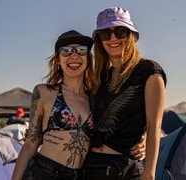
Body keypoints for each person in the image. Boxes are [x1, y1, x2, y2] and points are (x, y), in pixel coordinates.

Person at [83, 7, 167, 180]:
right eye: (106, 33)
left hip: (123, 169)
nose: (113, 38)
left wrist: (149, 174)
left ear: (130, 35)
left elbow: (154, 127)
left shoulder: (149, 71)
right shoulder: (99, 78)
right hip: (89, 167)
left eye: (120, 31)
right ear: (99, 40)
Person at [12, 30, 95, 180]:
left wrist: (142, 141)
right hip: (44, 172)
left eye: (81, 50)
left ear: (88, 58)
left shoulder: (96, 98)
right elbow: (31, 144)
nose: (74, 56)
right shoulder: (44, 92)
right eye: (66, 51)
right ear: (58, 59)